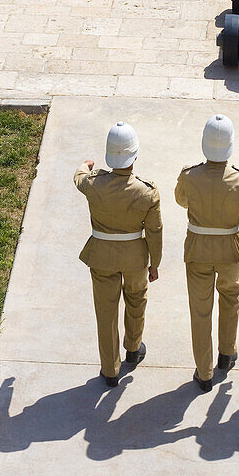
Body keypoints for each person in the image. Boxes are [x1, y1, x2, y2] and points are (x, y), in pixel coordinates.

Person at [75, 121, 162, 388]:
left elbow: (78, 178)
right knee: (136, 300)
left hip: (102, 256)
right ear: (135, 156)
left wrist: (85, 165)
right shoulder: (147, 191)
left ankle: (110, 368)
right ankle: (133, 348)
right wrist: (155, 264)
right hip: (135, 257)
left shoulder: (94, 184)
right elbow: (155, 232)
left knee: (106, 311)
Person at [175, 114, 239, 392]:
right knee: (230, 300)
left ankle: (204, 371)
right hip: (230, 251)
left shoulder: (189, 175)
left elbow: (181, 200)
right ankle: (226, 352)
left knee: (200, 311)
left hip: (198, 248)